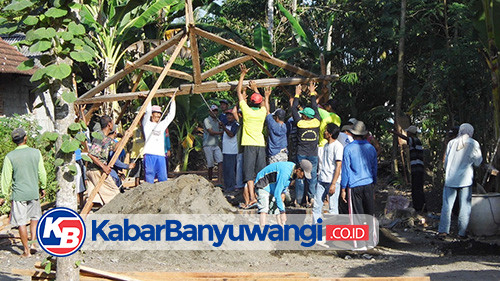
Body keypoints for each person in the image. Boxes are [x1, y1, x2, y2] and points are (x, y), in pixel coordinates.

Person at [0, 128, 46, 257]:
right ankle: (33, 245)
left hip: (19, 194)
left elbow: (5, 178)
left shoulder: (10, 156)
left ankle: (26, 251)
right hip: (33, 192)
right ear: (25, 138)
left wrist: (3, 195)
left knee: (21, 222)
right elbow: (41, 172)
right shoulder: (36, 153)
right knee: (34, 218)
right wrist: (43, 186)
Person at [438, 123, 482, 239]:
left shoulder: (451, 143)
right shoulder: (474, 143)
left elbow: (446, 162)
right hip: (465, 180)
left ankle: (443, 231)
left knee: (447, 206)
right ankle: (461, 233)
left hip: (450, 179)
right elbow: (478, 162)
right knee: (464, 207)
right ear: (471, 132)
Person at [237, 64, 268, 208]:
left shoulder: (247, 111)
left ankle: (252, 198)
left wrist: (242, 74)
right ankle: (261, 197)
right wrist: (255, 87)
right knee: (261, 172)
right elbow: (263, 103)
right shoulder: (262, 112)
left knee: (249, 174)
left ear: (250, 102)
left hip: (249, 144)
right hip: (260, 145)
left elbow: (238, 91)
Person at [86, 116, 133, 205]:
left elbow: (115, 148)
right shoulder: (99, 137)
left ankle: (83, 216)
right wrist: (104, 167)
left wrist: (125, 137)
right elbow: (91, 154)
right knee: (115, 195)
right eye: (112, 123)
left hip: (92, 171)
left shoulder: (106, 138)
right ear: (109, 125)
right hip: (96, 171)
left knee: (93, 199)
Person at [255, 160, 312, 226]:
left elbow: (284, 184)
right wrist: (283, 212)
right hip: (262, 183)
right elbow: (277, 193)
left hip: (272, 186)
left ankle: (281, 228)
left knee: (278, 207)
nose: (303, 178)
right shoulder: (286, 172)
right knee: (264, 208)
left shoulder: (293, 171)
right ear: (299, 170)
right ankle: (262, 229)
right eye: (303, 175)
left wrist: (283, 193)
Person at [292, 82, 321, 207]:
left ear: (304, 116)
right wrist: (312, 92)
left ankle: (298, 200)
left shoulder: (300, 123)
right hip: (313, 155)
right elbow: (315, 107)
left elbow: (293, 109)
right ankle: (312, 198)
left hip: (302, 154)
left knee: (300, 176)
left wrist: (297, 95)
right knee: (312, 177)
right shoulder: (317, 122)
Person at [340, 121, 378, 215]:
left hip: (354, 185)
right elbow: (374, 168)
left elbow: (346, 170)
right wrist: (374, 184)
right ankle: (371, 230)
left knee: (357, 216)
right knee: (369, 214)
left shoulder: (348, 149)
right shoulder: (371, 148)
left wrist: (343, 188)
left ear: (352, 134)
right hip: (368, 183)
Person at [313, 123, 343, 223]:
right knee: (316, 206)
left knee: (333, 208)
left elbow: (338, 166)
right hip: (322, 179)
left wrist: (334, 184)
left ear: (330, 134)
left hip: (332, 181)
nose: (324, 132)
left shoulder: (338, 146)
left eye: (326, 130)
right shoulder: (326, 145)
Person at [392, 125, 426, 212]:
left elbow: (406, 139)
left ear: (411, 133)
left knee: (417, 188)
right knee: (416, 187)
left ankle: (419, 206)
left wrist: (395, 133)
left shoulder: (415, 140)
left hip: (417, 169)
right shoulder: (415, 141)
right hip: (417, 168)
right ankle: (419, 206)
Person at [143, 97, 176, 183]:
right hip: (149, 154)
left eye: (159, 113)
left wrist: (173, 101)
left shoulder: (161, 125)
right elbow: (147, 112)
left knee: (163, 178)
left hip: (160, 155)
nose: (158, 115)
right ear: (152, 114)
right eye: (156, 113)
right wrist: (149, 98)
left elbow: (170, 116)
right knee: (149, 178)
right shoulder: (147, 124)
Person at [264, 87, 288, 163]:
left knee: (273, 173)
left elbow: (267, 111)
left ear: (276, 117)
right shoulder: (285, 127)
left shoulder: (272, 124)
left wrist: (267, 97)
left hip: (274, 154)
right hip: (284, 154)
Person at [203, 104, 224, 185]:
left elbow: (220, 128)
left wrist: (222, 127)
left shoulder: (217, 121)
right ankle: (210, 180)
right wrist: (221, 132)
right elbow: (210, 131)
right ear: (209, 112)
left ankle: (219, 180)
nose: (214, 112)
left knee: (220, 161)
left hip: (215, 144)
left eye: (215, 111)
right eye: (213, 111)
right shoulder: (206, 120)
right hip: (208, 145)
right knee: (210, 164)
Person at [221, 108, 240, 191]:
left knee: (231, 170)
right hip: (225, 151)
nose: (228, 116)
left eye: (230, 115)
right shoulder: (226, 124)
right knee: (226, 170)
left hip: (232, 151)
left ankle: (231, 187)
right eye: (227, 115)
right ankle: (227, 186)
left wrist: (223, 128)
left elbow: (231, 134)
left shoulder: (236, 125)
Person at [129, 122, 145, 187]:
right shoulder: (134, 127)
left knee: (143, 170)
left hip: (143, 151)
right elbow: (130, 134)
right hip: (135, 152)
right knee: (136, 171)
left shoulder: (145, 126)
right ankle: (137, 184)